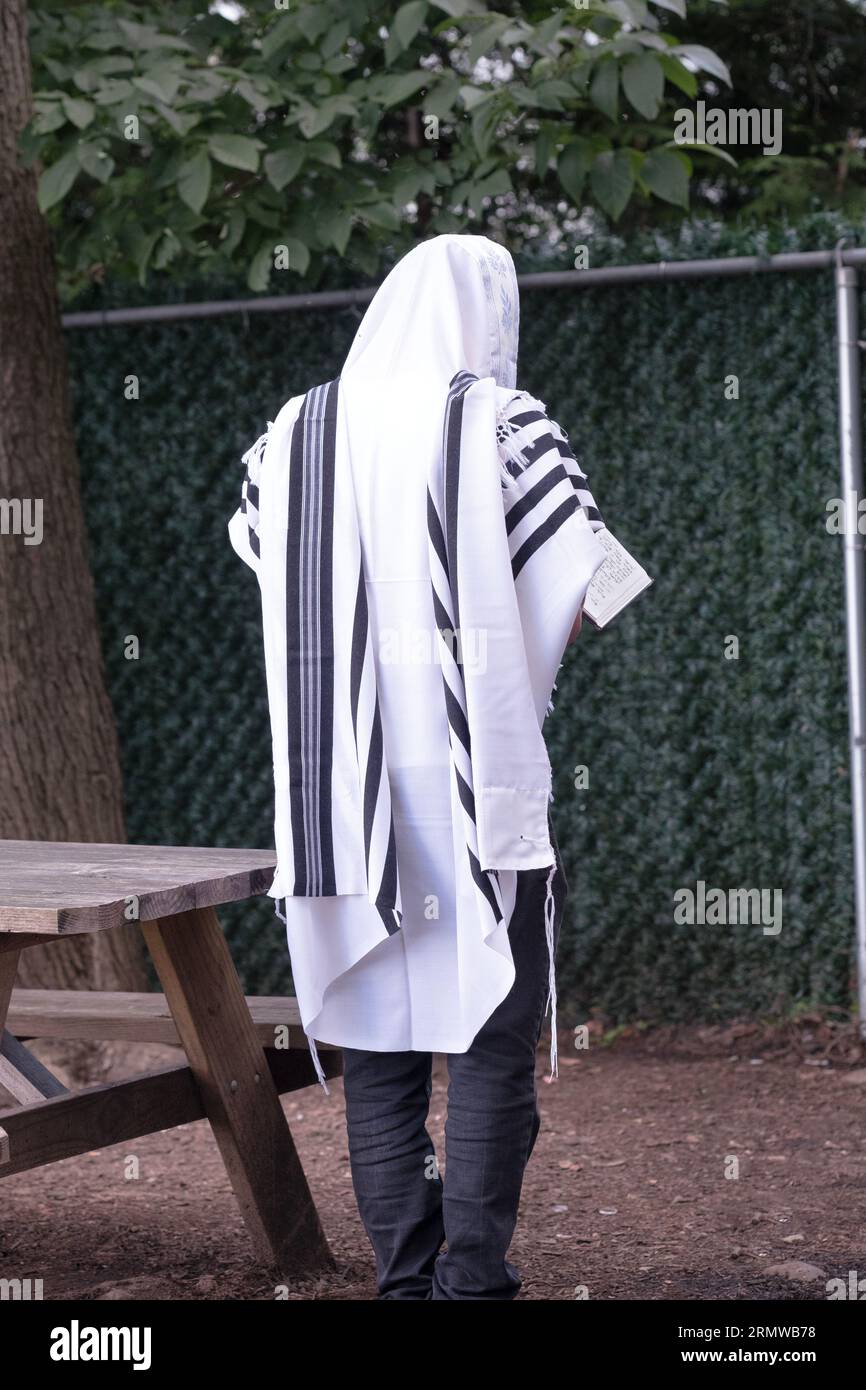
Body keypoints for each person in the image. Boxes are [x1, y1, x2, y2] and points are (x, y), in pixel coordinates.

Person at [229, 234, 608, 1300]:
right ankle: (472, 1282)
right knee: (491, 1042)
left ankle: (406, 1283)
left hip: (339, 799)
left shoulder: (290, 432)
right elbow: (577, 584)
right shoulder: (499, 419)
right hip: (472, 790)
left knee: (379, 1047)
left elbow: (260, 556)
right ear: (487, 316)